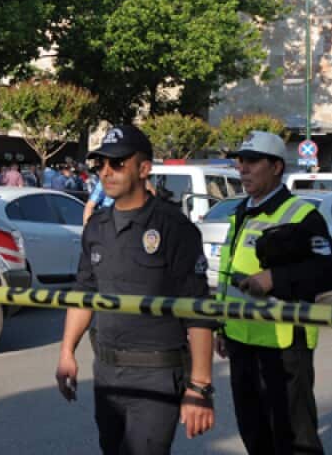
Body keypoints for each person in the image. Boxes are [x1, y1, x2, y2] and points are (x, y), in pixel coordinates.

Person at [55, 124, 215, 454]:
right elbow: (84, 293)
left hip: (157, 374)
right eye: (100, 165)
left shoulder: (174, 228)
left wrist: (200, 386)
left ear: (144, 169)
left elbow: (198, 309)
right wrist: (67, 352)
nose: (107, 172)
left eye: (118, 163)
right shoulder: (96, 228)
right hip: (108, 372)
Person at [215, 130, 332, 455]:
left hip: (284, 346)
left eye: (252, 161)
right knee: (254, 432)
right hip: (241, 340)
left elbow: (331, 272)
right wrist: (221, 324)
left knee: (294, 439)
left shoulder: (302, 215)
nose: (242, 168)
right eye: (240, 160)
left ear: (276, 167)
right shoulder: (241, 211)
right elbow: (227, 274)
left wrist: (276, 277)